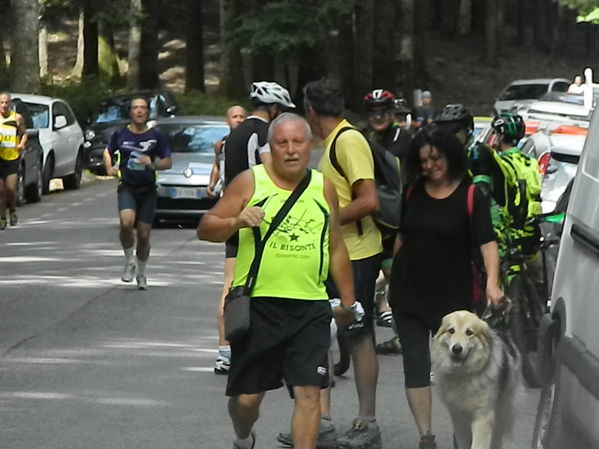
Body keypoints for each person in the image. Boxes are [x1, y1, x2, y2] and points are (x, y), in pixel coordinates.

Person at [197, 113, 362, 449]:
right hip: (259, 307)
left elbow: (336, 246)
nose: (290, 150)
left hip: (310, 308)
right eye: (281, 143)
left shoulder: (323, 187)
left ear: (309, 146)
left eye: (297, 142)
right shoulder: (250, 182)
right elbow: (206, 227)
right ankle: (243, 436)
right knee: (247, 401)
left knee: (309, 394)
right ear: (270, 148)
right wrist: (236, 220)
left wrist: (348, 303)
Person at [389, 128, 504, 449]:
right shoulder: (412, 190)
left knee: (461, 374)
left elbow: (487, 244)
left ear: (450, 156)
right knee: (415, 364)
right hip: (409, 291)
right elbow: (402, 236)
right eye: (423, 160)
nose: (429, 166)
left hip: (455, 300)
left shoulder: (471, 195)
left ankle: (462, 437)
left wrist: (493, 283)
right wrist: (387, 279)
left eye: (435, 158)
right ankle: (426, 436)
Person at [304, 77, 383, 449]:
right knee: (324, 332)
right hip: (337, 254)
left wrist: (325, 222)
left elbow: (368, 201)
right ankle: (320, 422)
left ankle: (367, 422)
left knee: (359, 336)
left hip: (357, 256)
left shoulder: (348, 140)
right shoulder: (336, 141)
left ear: (310, 111)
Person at [213, 81, 295, 376]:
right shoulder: (263, 133)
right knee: (272, 281)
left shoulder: (233, 134)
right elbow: (275, 172)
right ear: (273, 109)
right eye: (281, 111)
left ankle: (224, 351)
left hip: (233, 215)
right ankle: (273, 349)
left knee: (231, 283)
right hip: (259, 217)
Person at [102, 97, 172, 290]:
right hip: (127, 186)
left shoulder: (156, 136)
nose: (139, 111)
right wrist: (109, 167)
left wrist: (152, 164)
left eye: (142, 108)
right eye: (135, 108)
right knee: (126, 223)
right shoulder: (121, 134)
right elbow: (108, 151)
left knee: (143, 234)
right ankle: (129, 260)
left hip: (148, 189)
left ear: (147, 113)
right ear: (130, 112)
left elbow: (168, 161)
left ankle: (141, 273)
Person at [0, 92, 28, 230]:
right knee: (1, 191)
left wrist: (21, 144)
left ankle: (12, 210)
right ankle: (2, 218)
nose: (4, 105)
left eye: (6, 103)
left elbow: (24, 134)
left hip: (12, 158)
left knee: (10, 189)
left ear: (10, 104)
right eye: (1, 103)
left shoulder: (17, 118)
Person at [206, 105, 247, 198]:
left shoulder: (251, 141)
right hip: (227, 193)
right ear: (227, 121)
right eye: (235, 117)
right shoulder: (221, 144)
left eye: (242, 117)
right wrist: (212, 184)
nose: (239, 120)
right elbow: (217, 165)